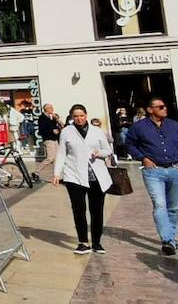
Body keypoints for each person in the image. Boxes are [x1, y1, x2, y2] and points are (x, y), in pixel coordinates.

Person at [126, 96, 178, 256]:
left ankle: (172, 239)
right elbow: (129, 144)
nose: (164, 108)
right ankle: (167, 239)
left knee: (174, 207)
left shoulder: (173, 125)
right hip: (154, 171)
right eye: (160, 107)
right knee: (160, 205)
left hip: (175, 168)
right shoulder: (139, 127)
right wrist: (143, 158)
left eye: (165, 106)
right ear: (150, 110)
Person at [52, 104, 113, 254]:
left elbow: (108, 150)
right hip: (74, 175)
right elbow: (62, 154)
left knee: (96, 210)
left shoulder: (97, 131)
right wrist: (57, 173)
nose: (79, 119)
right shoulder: (66, 132)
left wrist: (99, 153)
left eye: (81, 115)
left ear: (86, 115)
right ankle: (83, 242)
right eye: (75, 116)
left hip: (96, 176)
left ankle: (97, 242)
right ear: (71, 117)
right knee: (79, 209)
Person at [39, 104, 63, 176]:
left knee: (57, 158)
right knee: (50, 158)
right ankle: (36, 172)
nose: (53, 109)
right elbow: (42, 130)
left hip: (55, 139)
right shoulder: (42, 118)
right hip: (49, 140)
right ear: (47, 109)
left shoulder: (51, 118)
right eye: (51, 108)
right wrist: (52, 131)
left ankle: (57, 176)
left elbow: (62, 125)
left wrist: (57, 119)